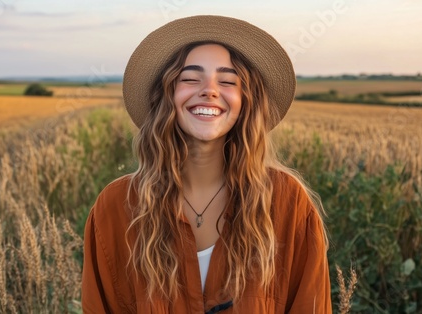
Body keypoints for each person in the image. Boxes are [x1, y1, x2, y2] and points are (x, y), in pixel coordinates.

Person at [81, 15, 331, 313]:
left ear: (245, 101)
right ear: (166, 95)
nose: (209, 90)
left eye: (227, 81)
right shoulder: (116, 207)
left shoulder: (288, 202)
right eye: (189, 78)